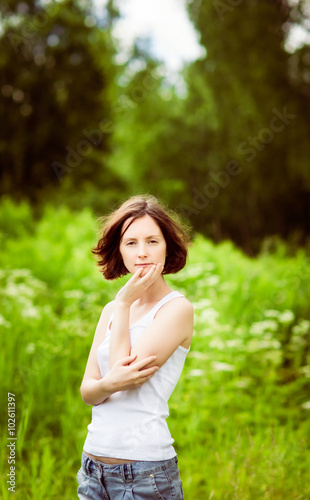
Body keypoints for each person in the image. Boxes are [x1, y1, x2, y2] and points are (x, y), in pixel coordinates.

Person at [77, 194, 194, 500]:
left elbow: (123, 375)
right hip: (92, 470)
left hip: (145, 474)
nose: (142, 253)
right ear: (120, 249)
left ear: (167, 246)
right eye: (131, 243)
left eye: (152, 241)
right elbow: (88, 392)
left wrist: (124, 302)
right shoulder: (111, 310)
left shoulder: (176, 309)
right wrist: (105, 385)